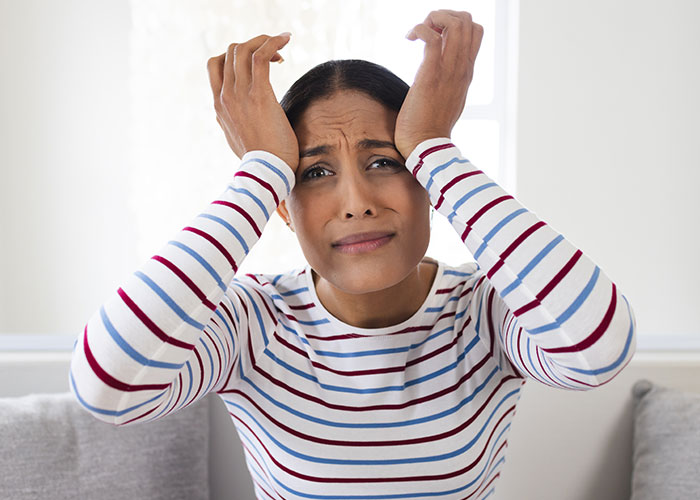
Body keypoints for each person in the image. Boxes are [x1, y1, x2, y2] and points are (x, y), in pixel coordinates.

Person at [70, 10, 636, 499]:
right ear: (284, 208)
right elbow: (107, 386)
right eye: (315, 173)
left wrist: (436, 147)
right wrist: (261, 169)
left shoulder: (485, 309)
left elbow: (599, 349)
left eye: (385, 161)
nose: (357, 203)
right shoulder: (253, 322)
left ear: (427, 183)